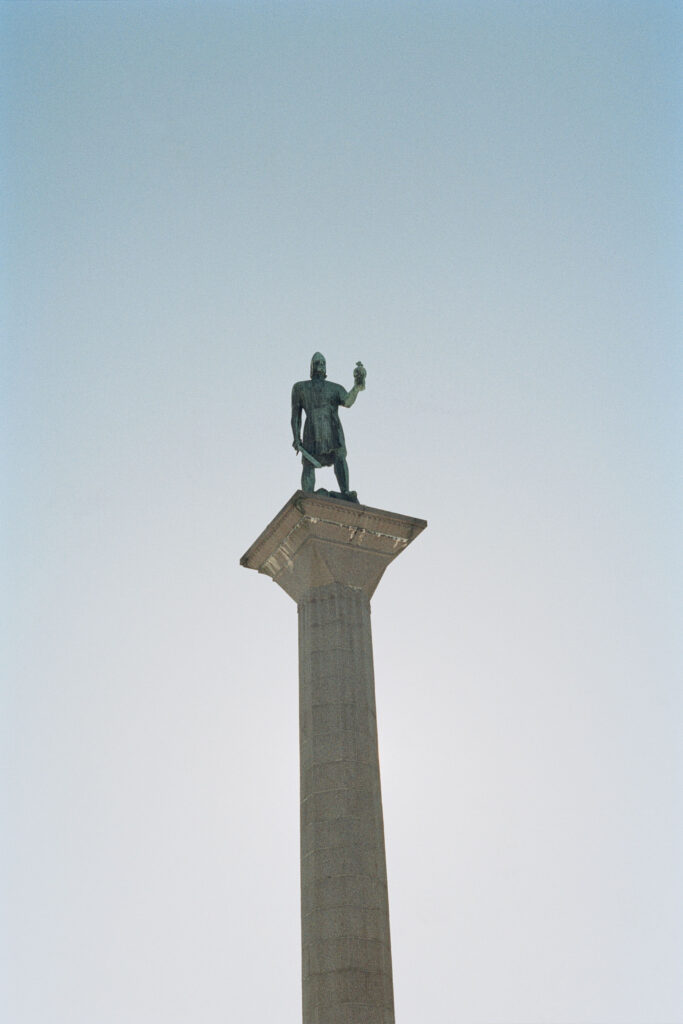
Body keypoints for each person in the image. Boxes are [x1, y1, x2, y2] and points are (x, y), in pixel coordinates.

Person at [291, 353, 366, 499]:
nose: (320, 365)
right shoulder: (300, 388)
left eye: (323, 363)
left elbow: (347, 401)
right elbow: (295, 416)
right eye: (317, 362)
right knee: (308, 463)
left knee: (339, 457)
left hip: (332, 429)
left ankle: (345, 492)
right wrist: (296, 437)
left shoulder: (335, 388)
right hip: (312, 430)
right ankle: (308, 496)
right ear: (311, 367)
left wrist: (357, 386)